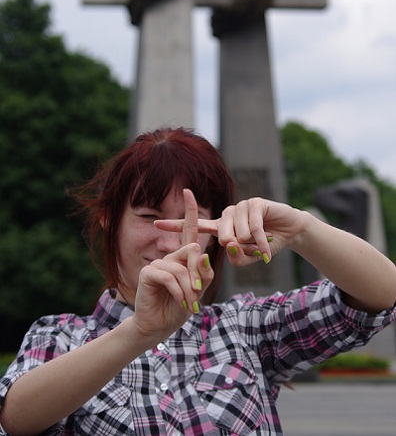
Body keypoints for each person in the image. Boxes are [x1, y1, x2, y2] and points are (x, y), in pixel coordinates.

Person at [1, 127, 395, 436]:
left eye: (194, 220)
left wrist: (303, 228)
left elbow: (380, 295)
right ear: (109, 218)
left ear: (216, 230)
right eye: (148, 215)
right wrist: (139, 332)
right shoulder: (60, 337)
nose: (171, 241)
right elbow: (15, 417)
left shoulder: (245, 328)